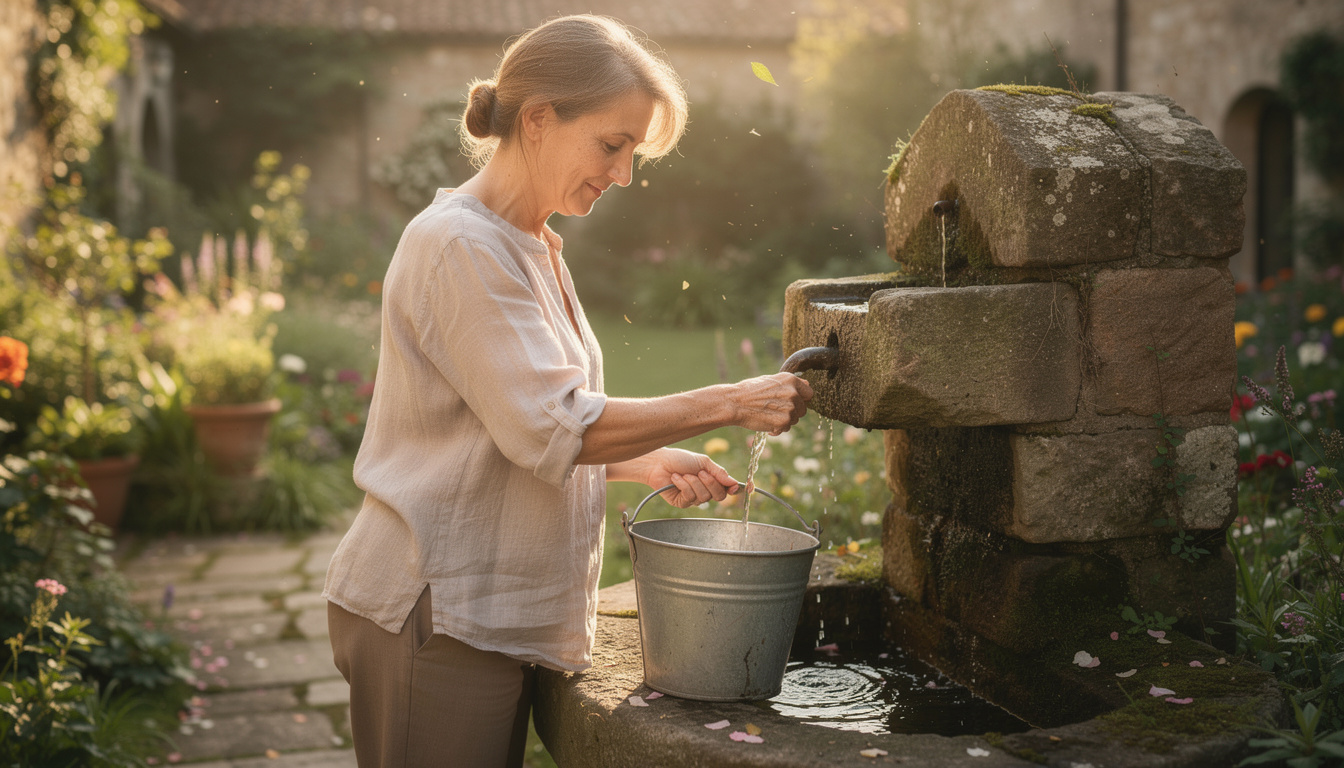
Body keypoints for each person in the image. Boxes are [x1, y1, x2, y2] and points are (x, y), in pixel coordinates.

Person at [323, 14, 813, 767]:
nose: (622, 174)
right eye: (612, 145)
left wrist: (641, 463)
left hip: (473, 614)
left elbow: (507, 429)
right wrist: (734, 401)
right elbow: (554, 428)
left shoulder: (531, 245)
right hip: (435, 615)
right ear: (540, 120)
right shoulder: (461, 245)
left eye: (633, 155)